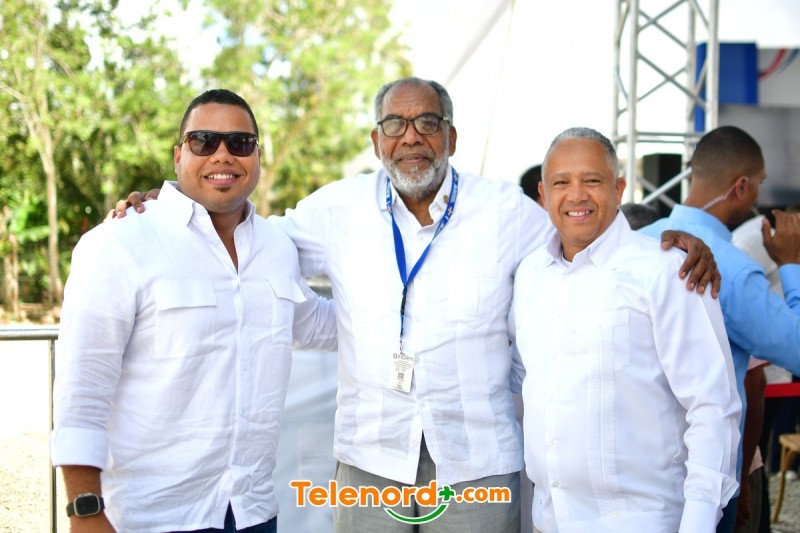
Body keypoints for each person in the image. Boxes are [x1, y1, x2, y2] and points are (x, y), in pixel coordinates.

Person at [115, 77, 720, 532]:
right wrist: (169, 211)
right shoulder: (335, 209)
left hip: (476, 463)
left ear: (451, 137)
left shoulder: (507, 213)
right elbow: (243, 241)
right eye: (395, 124)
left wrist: (671, 242)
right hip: (370, 459)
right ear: (376, 140)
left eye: (428, 123)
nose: (411, 137)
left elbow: (584, 233)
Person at [50, 89, 338, 532]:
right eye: (204, 141)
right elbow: (82, 389)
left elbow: (320, 325)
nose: (222, 155)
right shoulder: (119, 243)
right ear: (178, 154)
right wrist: (85, 511)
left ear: (257, 156)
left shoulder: (277, 248)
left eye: (240, 143)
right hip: (152, 517)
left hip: (254, 510)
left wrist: (411, 313)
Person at [511, 127, 740, 532]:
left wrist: (700, 521)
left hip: (642, 521)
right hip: (550, 519)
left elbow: (712, 406)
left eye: (592, 180)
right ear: (543, 196)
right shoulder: (530, 274)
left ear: (618, 189)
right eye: (561, 183)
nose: (576, 195)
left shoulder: (667, 272)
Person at [639, 125, 800, 533]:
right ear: (741, 187)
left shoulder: (636, 242)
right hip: (705, 476)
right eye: (760, 182)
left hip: (635, 465)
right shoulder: (733, 268)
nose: (760, 193)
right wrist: (792, 264)